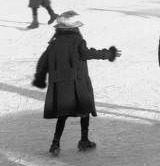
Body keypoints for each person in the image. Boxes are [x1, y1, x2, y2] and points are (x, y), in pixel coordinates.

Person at [31, 11, 121, 155]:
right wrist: (108, 54)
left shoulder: (53, 43)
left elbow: (43, 61)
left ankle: (55, 144)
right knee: (84, 111)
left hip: (61, 85)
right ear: (75, 28)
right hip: (78, 83)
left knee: (62, 115)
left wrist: (39, 77)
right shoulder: (78, 41)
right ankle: (84, 140)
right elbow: (88, 54)